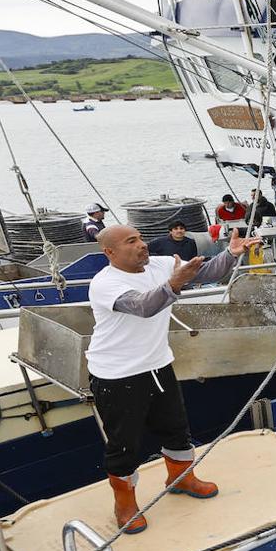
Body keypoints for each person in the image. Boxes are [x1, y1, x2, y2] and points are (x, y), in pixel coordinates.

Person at [88, 224, 262, 533]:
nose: (142, 245)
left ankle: (181, 478)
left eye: (141, 238)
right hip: (117, 375)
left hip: (158, 365)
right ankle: (125, 505)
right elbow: (143, 307)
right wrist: (175, 284)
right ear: (110, 253)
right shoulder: (105, 283)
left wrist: (231, 255)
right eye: (132, 241)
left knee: (177, 429)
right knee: (124, 445)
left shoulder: (160, 263)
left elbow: (206, 272)